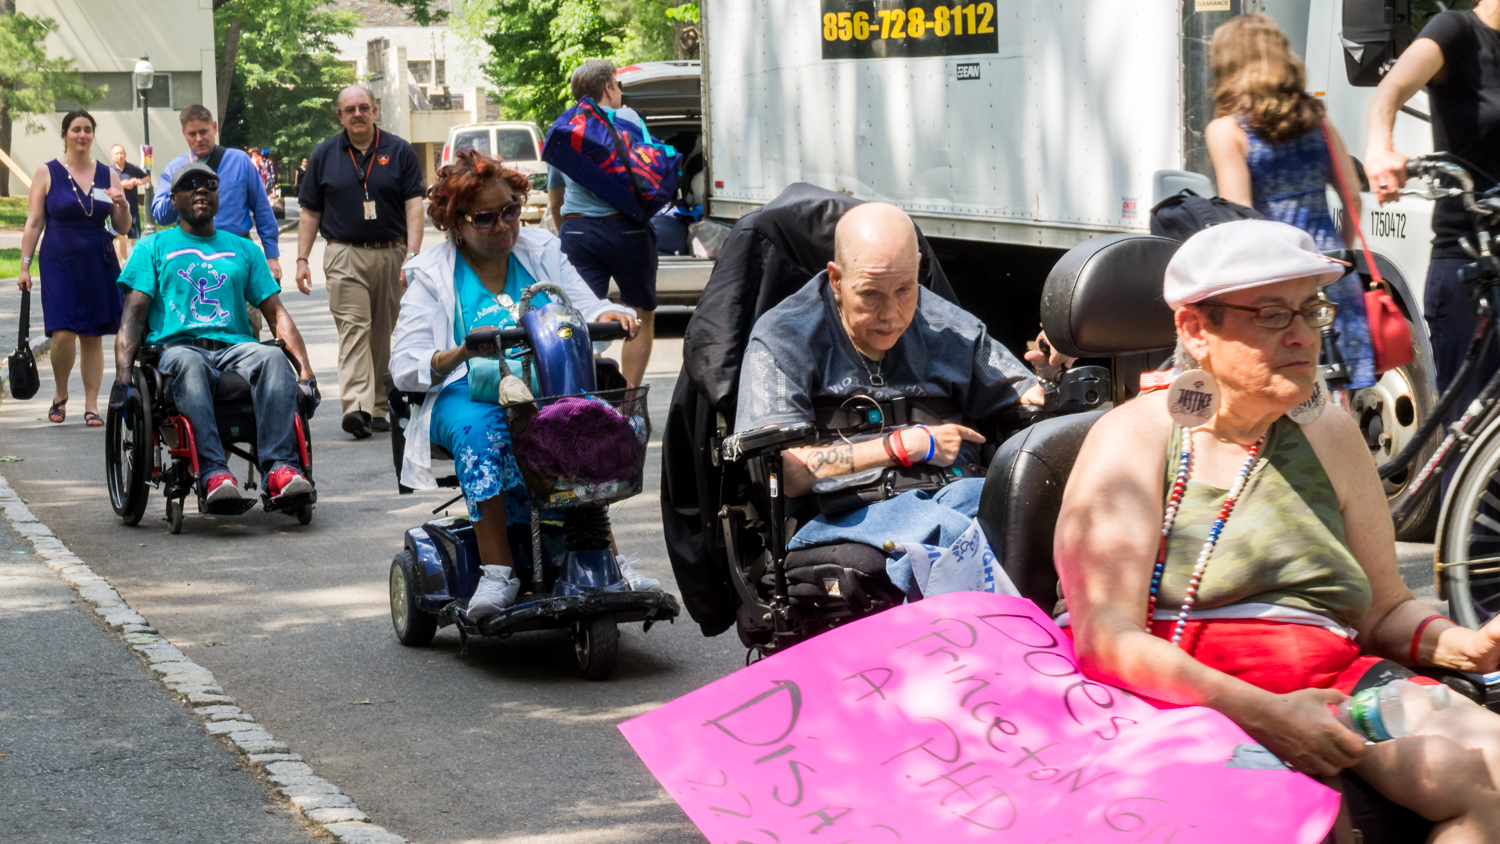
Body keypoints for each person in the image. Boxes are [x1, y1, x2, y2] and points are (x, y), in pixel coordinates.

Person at [1055, 219, 1500, 835]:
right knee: (1303, 822)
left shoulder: (1332, 434)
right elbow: (1107, 641)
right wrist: (1263, 713)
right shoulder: (1134, 439)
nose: (1303, 335)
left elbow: (1383, 609)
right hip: (1186, 695)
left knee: (1484, 769)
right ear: (1195, 329)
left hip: (1332, 678)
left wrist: (1462, 646)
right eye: (1270, 314)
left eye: (1310, 310)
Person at [390, 150, 642, 616]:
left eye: (510, 211)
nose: (504, 225)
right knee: (483, 432)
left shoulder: (541, 251)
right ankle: (497, 572)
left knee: (590, 422)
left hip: (547, 386)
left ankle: (605, 556)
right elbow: (405, 365)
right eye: (486, 218)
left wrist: (611, 315)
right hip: (469, 390)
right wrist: (464, 351)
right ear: (456, 223)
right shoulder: (431, 273)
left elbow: (587, 307)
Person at [733, 203, 1045, 572]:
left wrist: (1058, 366)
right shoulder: (785, 337)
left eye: (904, 290)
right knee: (951, 536)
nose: (891, 314)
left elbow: (1028, 398)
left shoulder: (950, 327)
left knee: (1026, 519)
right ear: (836, 279)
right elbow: (788, 471)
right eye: (870, 294)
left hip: (951, 489)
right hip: (841, 511)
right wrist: (903, 445)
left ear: (917, 268)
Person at [112, 162, 317, 505]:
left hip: (235, 349)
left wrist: (307, 373)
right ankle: (213, 473)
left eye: (209, 184)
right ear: (174, 198)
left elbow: (276, 314)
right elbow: (132, 317)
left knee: (272, 356)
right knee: (189, 363)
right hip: (176, 348)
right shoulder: (152, 248)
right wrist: (122, 382)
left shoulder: (244, 249)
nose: (201, 189)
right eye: (190, 185)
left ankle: (281, 469)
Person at [1205, 13, 1375, 391]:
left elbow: (1241, 218)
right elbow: (1352, 196)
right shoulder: (1318, 119)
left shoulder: (1227, 131)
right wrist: (1339, 256)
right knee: (1336, 394)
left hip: (1275, 280)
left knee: (1282, 389)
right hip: (1331, 269)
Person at [1366, 0, 1500, 427]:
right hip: (1470, 263)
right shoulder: (1456, 32)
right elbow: (1391, 89)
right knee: (1471, 429)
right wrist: (1380, 147)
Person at [296, 85, 425, 440]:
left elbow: (415, 205)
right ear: (340, 116)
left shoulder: (399, 151)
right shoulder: (325, 154)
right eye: (349, 109)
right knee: (354, 327)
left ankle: (379, 405)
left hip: (391, 251)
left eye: (363, 108)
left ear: (375, 111)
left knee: (382, 330)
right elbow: (310, 212)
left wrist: (412, 254)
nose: (357, 114)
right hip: (343, 252)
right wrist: (302, 259)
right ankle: (356, 406)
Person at [546, 59, 658, 388]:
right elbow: (650, 172)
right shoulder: (628, 118)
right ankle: (628, 402)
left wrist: (571, 230)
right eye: (619, 86)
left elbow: (555, 198)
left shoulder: (564, 128)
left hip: (579, 232)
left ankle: (592, 395)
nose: (620, 93)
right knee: (640, 315)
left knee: (581, 319)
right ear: (608, 88)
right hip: (629, 232)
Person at [17, 110, 133, 427]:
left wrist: (122, 204)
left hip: (98, 260)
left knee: (93, 335)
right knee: (64, 332)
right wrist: (25, 266)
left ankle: (92, 404)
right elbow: (34, 223)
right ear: (65, 134)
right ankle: (60, 392)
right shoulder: (47, 172)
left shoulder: (108, 174)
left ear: (93, 135)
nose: (82, 135)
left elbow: (122, 227)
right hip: (57, 262)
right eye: (76, 129)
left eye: (87, 130)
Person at [151, 104, 283, 341]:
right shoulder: (175, 169)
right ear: (184, 134)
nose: (199, 138)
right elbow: (160, 215)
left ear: (214, 128)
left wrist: (271, 256)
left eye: (204, 131)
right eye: (192, 134)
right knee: (193, 325)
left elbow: (262, 210)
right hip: (190, 254)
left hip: (237, 253)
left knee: (248, 324)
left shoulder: (240, 161)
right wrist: (183, 190)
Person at [108, 144, 147, 265]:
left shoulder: (132, 168)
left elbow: (147, 178)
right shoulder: (109, 170)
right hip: (116, 208)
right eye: (117, 154)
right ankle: (124, 261)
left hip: (132, 207)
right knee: (120, 235)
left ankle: (136, 261)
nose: (120, 156)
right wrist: (122, 185)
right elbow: (104, 186)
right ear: (112, 157)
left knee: (135, 236)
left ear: (125, 155)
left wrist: (137, 182)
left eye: (121, 153)